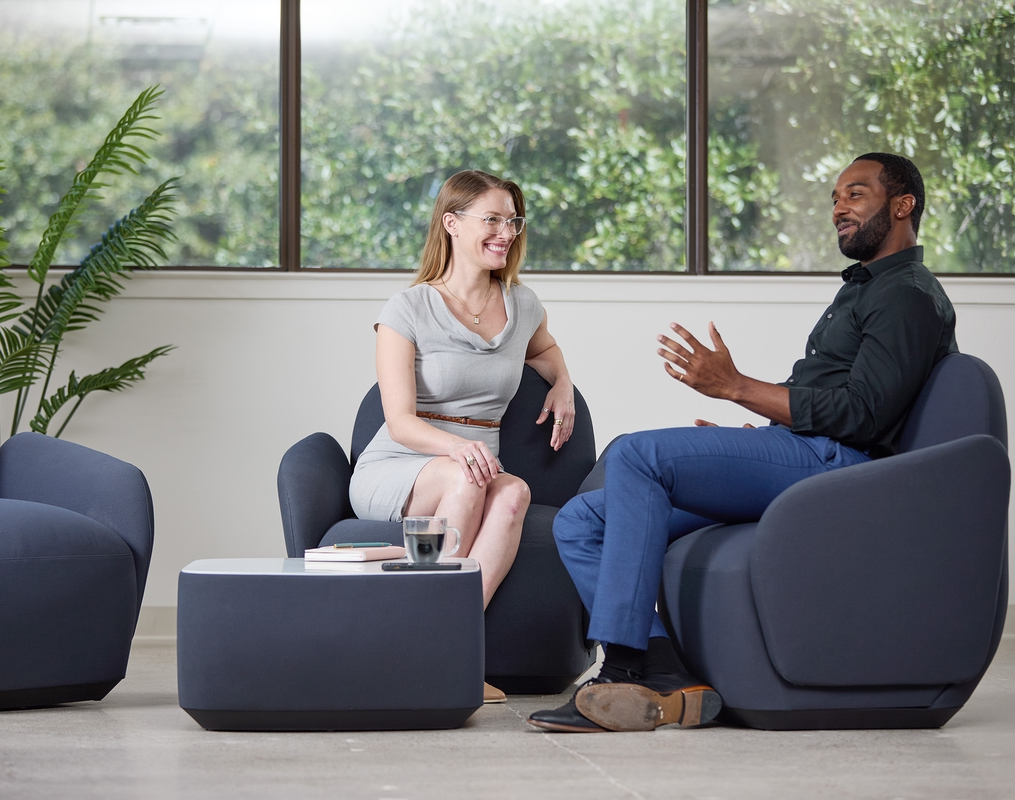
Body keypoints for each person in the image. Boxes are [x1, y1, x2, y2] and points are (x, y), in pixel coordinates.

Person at [528, 152, 958, 733]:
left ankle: (621, 669)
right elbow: (833, 394)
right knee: (579, 520)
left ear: (903, 205)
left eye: (855, 194)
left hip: (839, 467)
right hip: (805, 447)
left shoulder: (906, 295)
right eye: (834, 198)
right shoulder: (864, 290)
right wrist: (761, 425)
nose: (838, 208)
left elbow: (861, 415)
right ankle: (667, 672)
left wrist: (734, 387)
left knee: (636, 453)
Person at [349, 170, 576, 703]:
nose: (507, 232)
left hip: (472, 464)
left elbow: (544, 351)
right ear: (451, 223)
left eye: (513, 221)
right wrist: (455, 446)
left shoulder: (522, 304)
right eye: (492, 219)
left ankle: (439, 647)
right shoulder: (406, 309)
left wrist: (562, 382)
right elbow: (401, 420)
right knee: (472, 478)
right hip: (405, 461)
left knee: (514, 491)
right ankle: (429, 655)